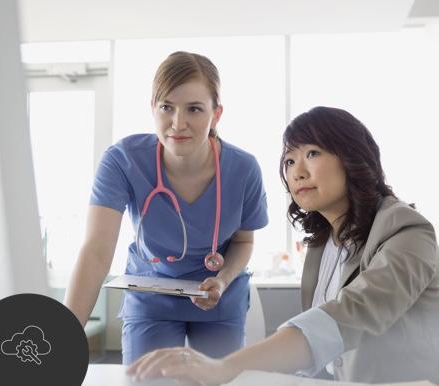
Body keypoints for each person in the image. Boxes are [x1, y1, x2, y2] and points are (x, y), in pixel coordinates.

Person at [126, 106, 439, 385]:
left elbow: (353, 313)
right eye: (289, 160)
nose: (297, 171)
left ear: (353, 157)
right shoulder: (322, 244)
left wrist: (226, 366)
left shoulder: (405, 230)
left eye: (312, 153)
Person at [64, 51, 269, 364]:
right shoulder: (123, 161)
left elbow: (243, 241)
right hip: (152, 297)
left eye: (194, 109)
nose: (178, 123)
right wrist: (60, 338)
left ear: (216, 114)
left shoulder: (243, 169)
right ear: (152, 108)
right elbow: (96, 251)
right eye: (167, 107)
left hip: (216, 299)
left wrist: (223, 279)